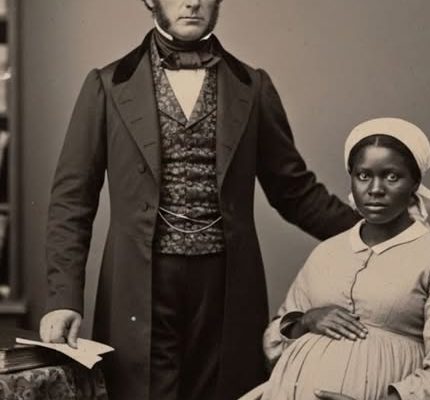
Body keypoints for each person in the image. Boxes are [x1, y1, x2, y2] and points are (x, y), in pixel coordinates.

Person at [38, 1, 359, 399]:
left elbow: (294, 191)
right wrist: (63, 298)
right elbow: (72, 201)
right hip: (139, 285)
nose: (192, 2)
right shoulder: (107, 85)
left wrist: (380, 231)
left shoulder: (253, 85)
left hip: (225, 285)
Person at [243, 117, 430, 400]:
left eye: (391, 176)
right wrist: (306, 320)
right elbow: (273, 345)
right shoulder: (327, 252)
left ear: (415, 183)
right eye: (363, 176)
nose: (375, 189)